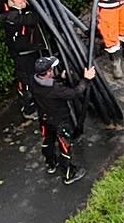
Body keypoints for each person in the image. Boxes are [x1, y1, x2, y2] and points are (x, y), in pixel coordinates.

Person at [29, 55, 95, 184]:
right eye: (52, 69)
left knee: (48, 141)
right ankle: (69, 174)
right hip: (60, 122)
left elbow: (47, 83)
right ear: (48, 72)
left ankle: (51, 164)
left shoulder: (33, 80)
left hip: (44, 119)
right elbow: (75, 93)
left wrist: (59, 78)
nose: (53, 70)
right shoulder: (55, 90)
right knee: (65, 146)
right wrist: (86, 79)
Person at [0, 0, 42, 119]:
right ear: (11, 2)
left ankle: (39, 103)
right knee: (26, 81)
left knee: (37, 78)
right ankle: (28, 109)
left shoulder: (22, 11)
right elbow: (30, 19)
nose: (24, 1)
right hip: (21, 55)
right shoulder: (10, 17)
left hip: (32, 51)